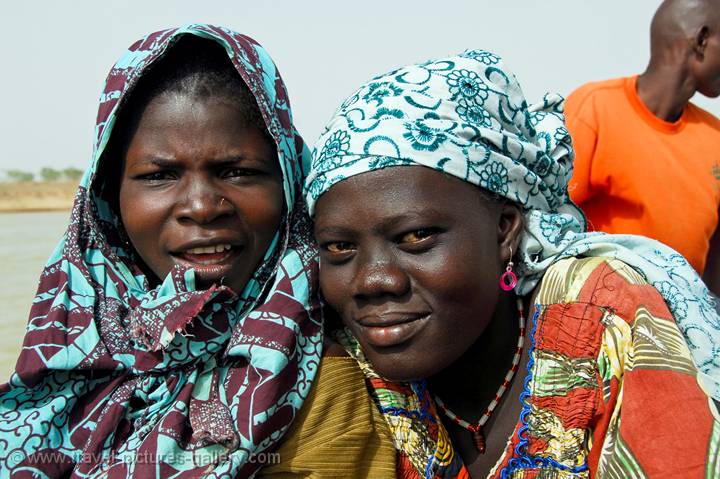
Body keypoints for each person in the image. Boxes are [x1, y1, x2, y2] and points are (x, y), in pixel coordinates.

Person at [0, 25, 394, 478]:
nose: (202, 207)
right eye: (158, 175)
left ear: (288, 184)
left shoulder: (315, 388)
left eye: (237, 171)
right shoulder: (68, 358)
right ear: (109, 199)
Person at [305, 49, 720, 477]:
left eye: (416, 237)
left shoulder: (598, 320)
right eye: (338, 247)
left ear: (504, 229)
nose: (373, 280)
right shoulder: (345, 369)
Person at [565, 0, 720, 286]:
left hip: (687, 319)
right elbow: (549, 218)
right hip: (601, 308)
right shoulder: (596, 109)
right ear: (701, 40)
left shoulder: (715, 137)